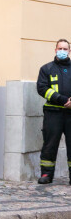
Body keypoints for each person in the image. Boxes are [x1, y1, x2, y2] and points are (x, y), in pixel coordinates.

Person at [36, 38, 71, 185]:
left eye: (65, 49)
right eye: (60, 48)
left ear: (69, 51)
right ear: (55, 50)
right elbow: (42, 88)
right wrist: (62, 99)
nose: (62, 51)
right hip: (53, 113)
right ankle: (46, 174)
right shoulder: (46, 69)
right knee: (49, 144)